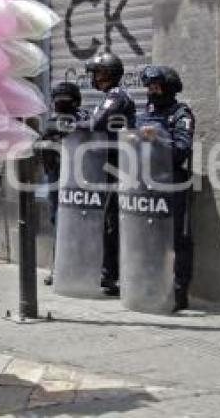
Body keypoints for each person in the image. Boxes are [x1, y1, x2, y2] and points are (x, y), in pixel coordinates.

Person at [136, 65, 195, 312]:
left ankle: (178, 294)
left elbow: (182, 148)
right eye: (149, 86)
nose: (151, 91)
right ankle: (150, 288)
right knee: (150, 240)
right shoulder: (145, 112)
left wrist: (157, 138)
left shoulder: (181, 114)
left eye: (156, 86)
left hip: (173, 185)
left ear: (168, 88)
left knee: (177, 241)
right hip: (146, 185)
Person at [82, 52, 136, 296]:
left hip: (118, 168)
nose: (94, 77)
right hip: (107, 167)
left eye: (98, 73)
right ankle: (105, 272)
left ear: (110, 74)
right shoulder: (107, 97)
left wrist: (71, 125)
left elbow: (97, 123)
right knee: (107, 222)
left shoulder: (117, 97)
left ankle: (111, 276)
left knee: (112, 223)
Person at [38, 81, 88, 286]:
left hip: (79, 180)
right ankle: (60, 268)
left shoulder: (83, 120)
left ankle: (79, 268)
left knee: (78, 223)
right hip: (56, 179)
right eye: (57, 99)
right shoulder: (51, 123)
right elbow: (41, 145)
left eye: (65, 99)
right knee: (57, 221)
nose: (60, 103)